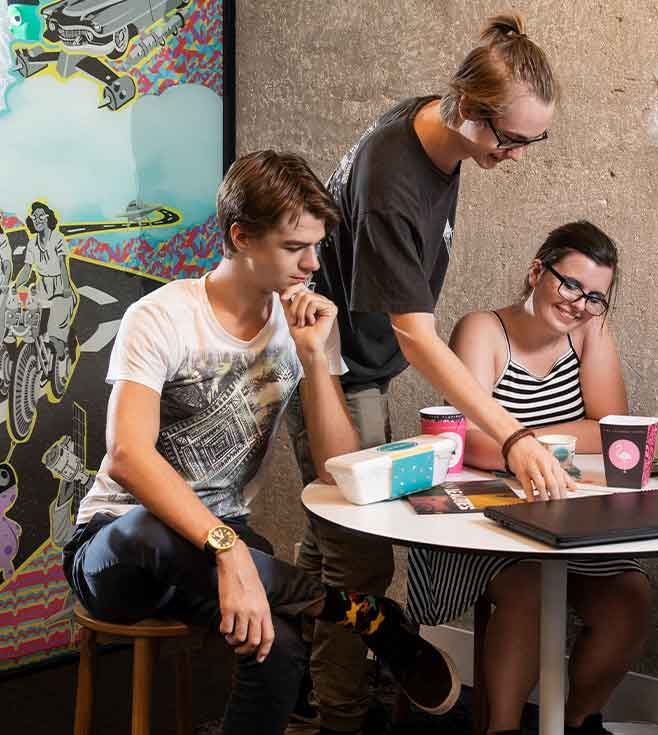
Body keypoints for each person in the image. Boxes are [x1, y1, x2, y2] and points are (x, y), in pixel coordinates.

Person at [62, 151, 460, 735]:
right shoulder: (163, 317)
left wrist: (315, 359)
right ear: (241, 236)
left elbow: (334, 467)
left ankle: (313, 606)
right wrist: (226, 550)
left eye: (317, 247)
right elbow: (126, 456)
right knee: (151, 530)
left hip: (227, 546)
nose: (313, 264)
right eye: (295, 247)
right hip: (119, 548)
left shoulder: (300, 321)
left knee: (280, 651)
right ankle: (359, 614)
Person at [286, 13, 574, 734]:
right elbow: (417, 336)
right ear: (467, 110)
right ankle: (340, 716)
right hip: (332, 366)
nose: (515, 155)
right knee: (360, 564)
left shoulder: (434, 129)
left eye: (531, 141)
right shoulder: (394, 179)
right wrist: (513, 438)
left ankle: (299, 686)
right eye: (509, 139)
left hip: (357, 363)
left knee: (327, 546)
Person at [406, 221, 652, 735]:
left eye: (594, 297)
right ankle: (505, 729)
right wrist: (536, 443)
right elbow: (469, 441)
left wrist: (519, 438)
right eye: (569, 284)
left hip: (561, 508)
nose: (579, 304)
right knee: (529, 585)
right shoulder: (482, 330)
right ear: (537, 271)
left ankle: (578, 722)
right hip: (478, 516)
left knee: (631, 595)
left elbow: (614, 430)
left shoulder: (591, 333)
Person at [14, 200, 76, 391]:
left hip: (59, 288)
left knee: (54, 334)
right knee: (34, 328)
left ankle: (62, 359)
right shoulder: (32, 243)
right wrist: (15, 285)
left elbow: (63, 265)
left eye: (42, 215)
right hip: (42, 288)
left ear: (48, 218)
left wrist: (65, 288)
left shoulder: (57, 238)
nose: (38, 219)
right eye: (35, 217)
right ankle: (43, 365)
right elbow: (26, 269)